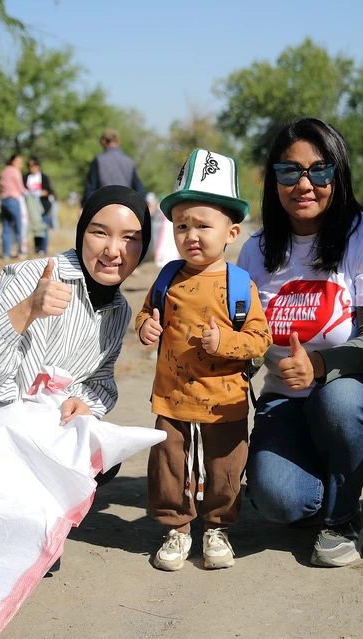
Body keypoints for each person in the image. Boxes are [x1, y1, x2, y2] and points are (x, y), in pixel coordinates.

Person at [236, 118, 363, 568]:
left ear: (340, 173)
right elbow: (245, 344)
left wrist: (319, 364)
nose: (304, 183)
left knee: (339, 400)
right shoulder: (255, 250)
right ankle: (324, 474)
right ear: (274, 178)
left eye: (320, 169)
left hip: (361, 397)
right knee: (277, 503)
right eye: (289, 171)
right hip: (287, 400)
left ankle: (344, 517)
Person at [0, 186, 153, 471]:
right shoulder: (34, 276)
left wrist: (81, 402)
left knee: (99, 457)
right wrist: (27, 309)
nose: (113, 250)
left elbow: (98, 382)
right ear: (81, 233)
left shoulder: (118, 309)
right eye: (99, 232)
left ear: (144, 246)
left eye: (130, 238)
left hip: (31, 424)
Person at [136, 149, 273, 572]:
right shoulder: (166, 278)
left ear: (231, 232)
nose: (191, 235)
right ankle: (176, 528)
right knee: (168, 462)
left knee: (225, 464)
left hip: (225, 396)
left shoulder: (239, 283)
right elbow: (147, 312)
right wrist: (145, 327)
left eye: (203, 226)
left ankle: (217, 526)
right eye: (181, 226)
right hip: (173, 395)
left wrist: (225, 341)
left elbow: (260, 338)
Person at [82, 128, 146, 205]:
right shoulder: (129, 161)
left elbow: (90, 189)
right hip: (125, 207)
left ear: (103, 141)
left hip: (103, 207)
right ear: (119, 142)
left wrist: (84, 206)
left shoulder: (99, 160)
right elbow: (140, 191)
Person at [24, 156, 57, 255]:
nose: (32, 168)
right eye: (29, 166)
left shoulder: (43, 177)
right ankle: (37, 248)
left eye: (34, 165)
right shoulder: (26, 177)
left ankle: (43, 249)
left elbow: (48, 191)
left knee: (43, 228)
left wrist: (39, 193)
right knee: (35, 228)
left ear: (38, 166)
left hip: (42, 207)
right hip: (30, 208)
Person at [0, 155, 27, 260]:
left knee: (6, 228)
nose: (21, 164)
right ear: (13, 161)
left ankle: (6, 253)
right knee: (18, 227)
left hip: (3, 200)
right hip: (13, 200)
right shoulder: (15, 171)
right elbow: (21, 188)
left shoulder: (3, 171)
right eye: (19, 161)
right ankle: (21, 251)